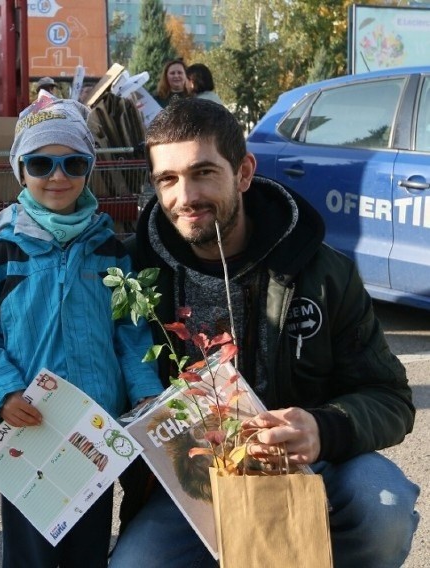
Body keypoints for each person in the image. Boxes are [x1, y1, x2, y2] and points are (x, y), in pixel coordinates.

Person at [108, 98, 419, 567]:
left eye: (204, 172)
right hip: (193, 490)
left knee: (385, 505)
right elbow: (78, 355)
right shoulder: (129, 272)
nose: (185, 196)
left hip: (309, 468)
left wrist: (322, 427)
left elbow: (390, 397)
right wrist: (16, 409)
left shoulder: (321, 272)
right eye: (167, 179)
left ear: (244, 172)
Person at [0, 95, 164, 568]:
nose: (58, 175)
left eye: (73, 162)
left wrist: (146, 396)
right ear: (20, 170)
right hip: (33, 429)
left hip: (93, 429)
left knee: (87, 550)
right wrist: (1, 392)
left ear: (89, 167)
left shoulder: (109, 248)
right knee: (32, 555)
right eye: (41, 163)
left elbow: (131, 333)